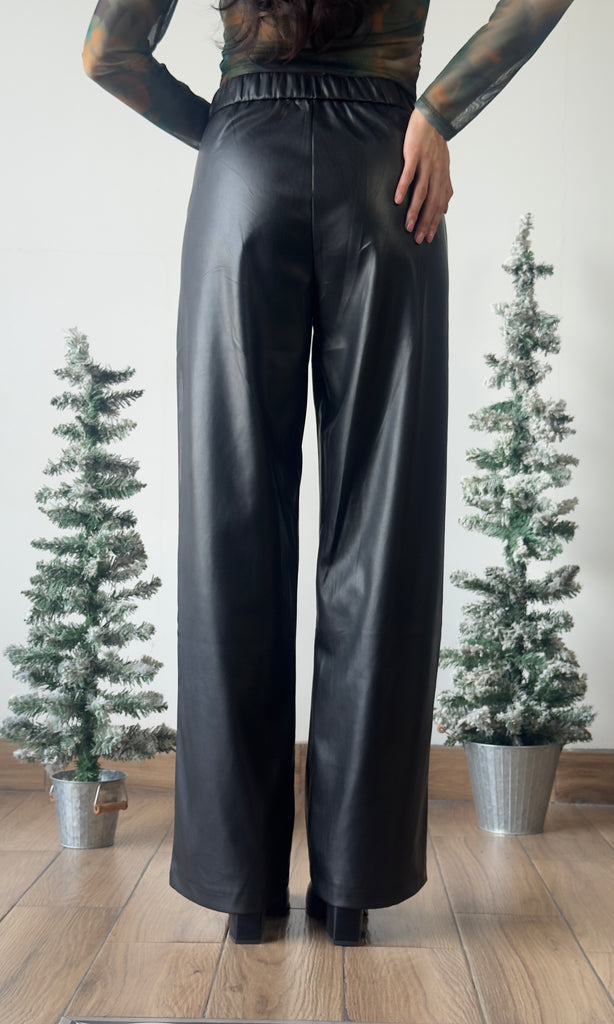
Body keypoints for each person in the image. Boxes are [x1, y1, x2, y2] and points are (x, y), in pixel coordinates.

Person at [82, 0, 575, 946]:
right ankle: (352, 886)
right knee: (380, 523)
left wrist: (222, 129)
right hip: (389, 170)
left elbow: (109, 52)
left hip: (242, 167)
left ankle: (241, 887)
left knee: (231, 522)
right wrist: (437, 111)